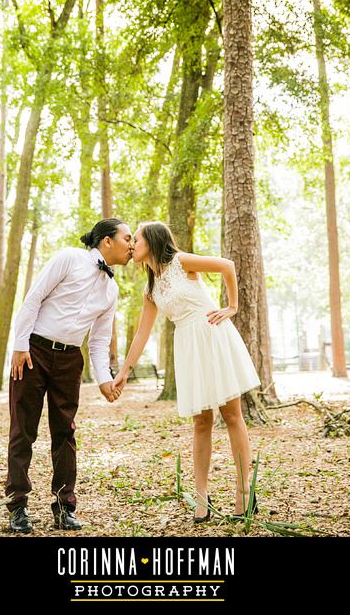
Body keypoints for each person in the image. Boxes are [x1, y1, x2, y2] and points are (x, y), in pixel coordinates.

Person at [112, 221, 260, 522]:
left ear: (151, 242)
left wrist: (232, 307)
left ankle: (245, 491)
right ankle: (202, 497)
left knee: (231, 414)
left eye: (135, 239)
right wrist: (125, 371)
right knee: (201, 422)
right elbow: (142, 333)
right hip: (187, 346)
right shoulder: (150, 287)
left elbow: (227, 266)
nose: (132, 244)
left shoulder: (182, 262)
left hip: (212, 335)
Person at [5, 217, 133, 534]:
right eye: (127, 238)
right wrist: (20, 346)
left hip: (70, 360)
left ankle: (64, 508)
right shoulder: (69, 258)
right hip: (33, 352)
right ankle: (17, 506)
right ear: (107, 241)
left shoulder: (112, 289)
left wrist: (105, 379)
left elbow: (100, 340)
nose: (132, 245)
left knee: (65, 434)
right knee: (23, 429)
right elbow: (34, 297)